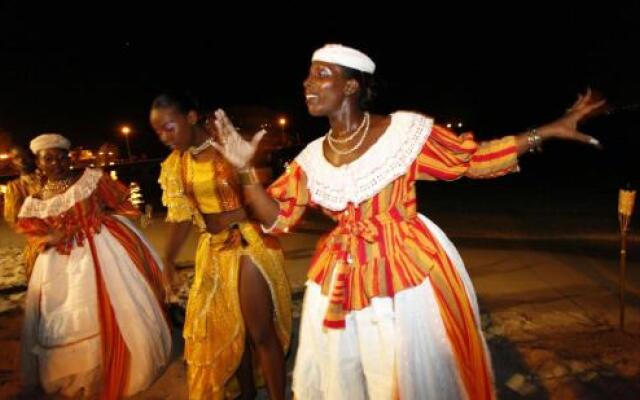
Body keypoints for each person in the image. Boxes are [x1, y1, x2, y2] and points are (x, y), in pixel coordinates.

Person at [211, 44, 606, 399]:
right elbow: (277, 218)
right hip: (341, 276)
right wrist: (246, 171)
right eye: (309, 75)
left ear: (351, 87)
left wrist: (547, 132)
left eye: (322, 75)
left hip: (404, 272)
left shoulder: (402, 133)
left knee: (401, 373)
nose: (308, 84)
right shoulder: (312, 158)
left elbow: (474, 159)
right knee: (342, 373)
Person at [150, 94, 292, 400]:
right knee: (227, 330)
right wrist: (168, 261)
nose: (164, 137)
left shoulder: (231, 148)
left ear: (190, 117)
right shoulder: (176, 165)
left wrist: (227, 216)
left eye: (169, 127)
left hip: (248, 243)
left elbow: (268, 202)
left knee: (259, 333)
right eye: (158, 131)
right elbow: (182, 217)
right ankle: (248, 392)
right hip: (212, 250)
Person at [16, 133, 171, 399]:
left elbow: (122, 202)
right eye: (49, 158)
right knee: (65, 316)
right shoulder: (36, 200)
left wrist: (102, 217)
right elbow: (32, 231)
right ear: (39, 163)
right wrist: (48, 237)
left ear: (69, 158)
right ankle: (77, 376)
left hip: (101, 247)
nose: (57, 163)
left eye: (61, 157)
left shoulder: (90, 180)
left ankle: (114, 365)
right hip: (57, 265)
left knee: (114, 304)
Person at [3, 146, 44, 277]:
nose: (21, 160)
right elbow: (15, 220)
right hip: (39, 243)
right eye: (16, 157)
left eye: (24, 155)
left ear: (33, 156)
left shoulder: (51, 179)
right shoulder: (14, 188)